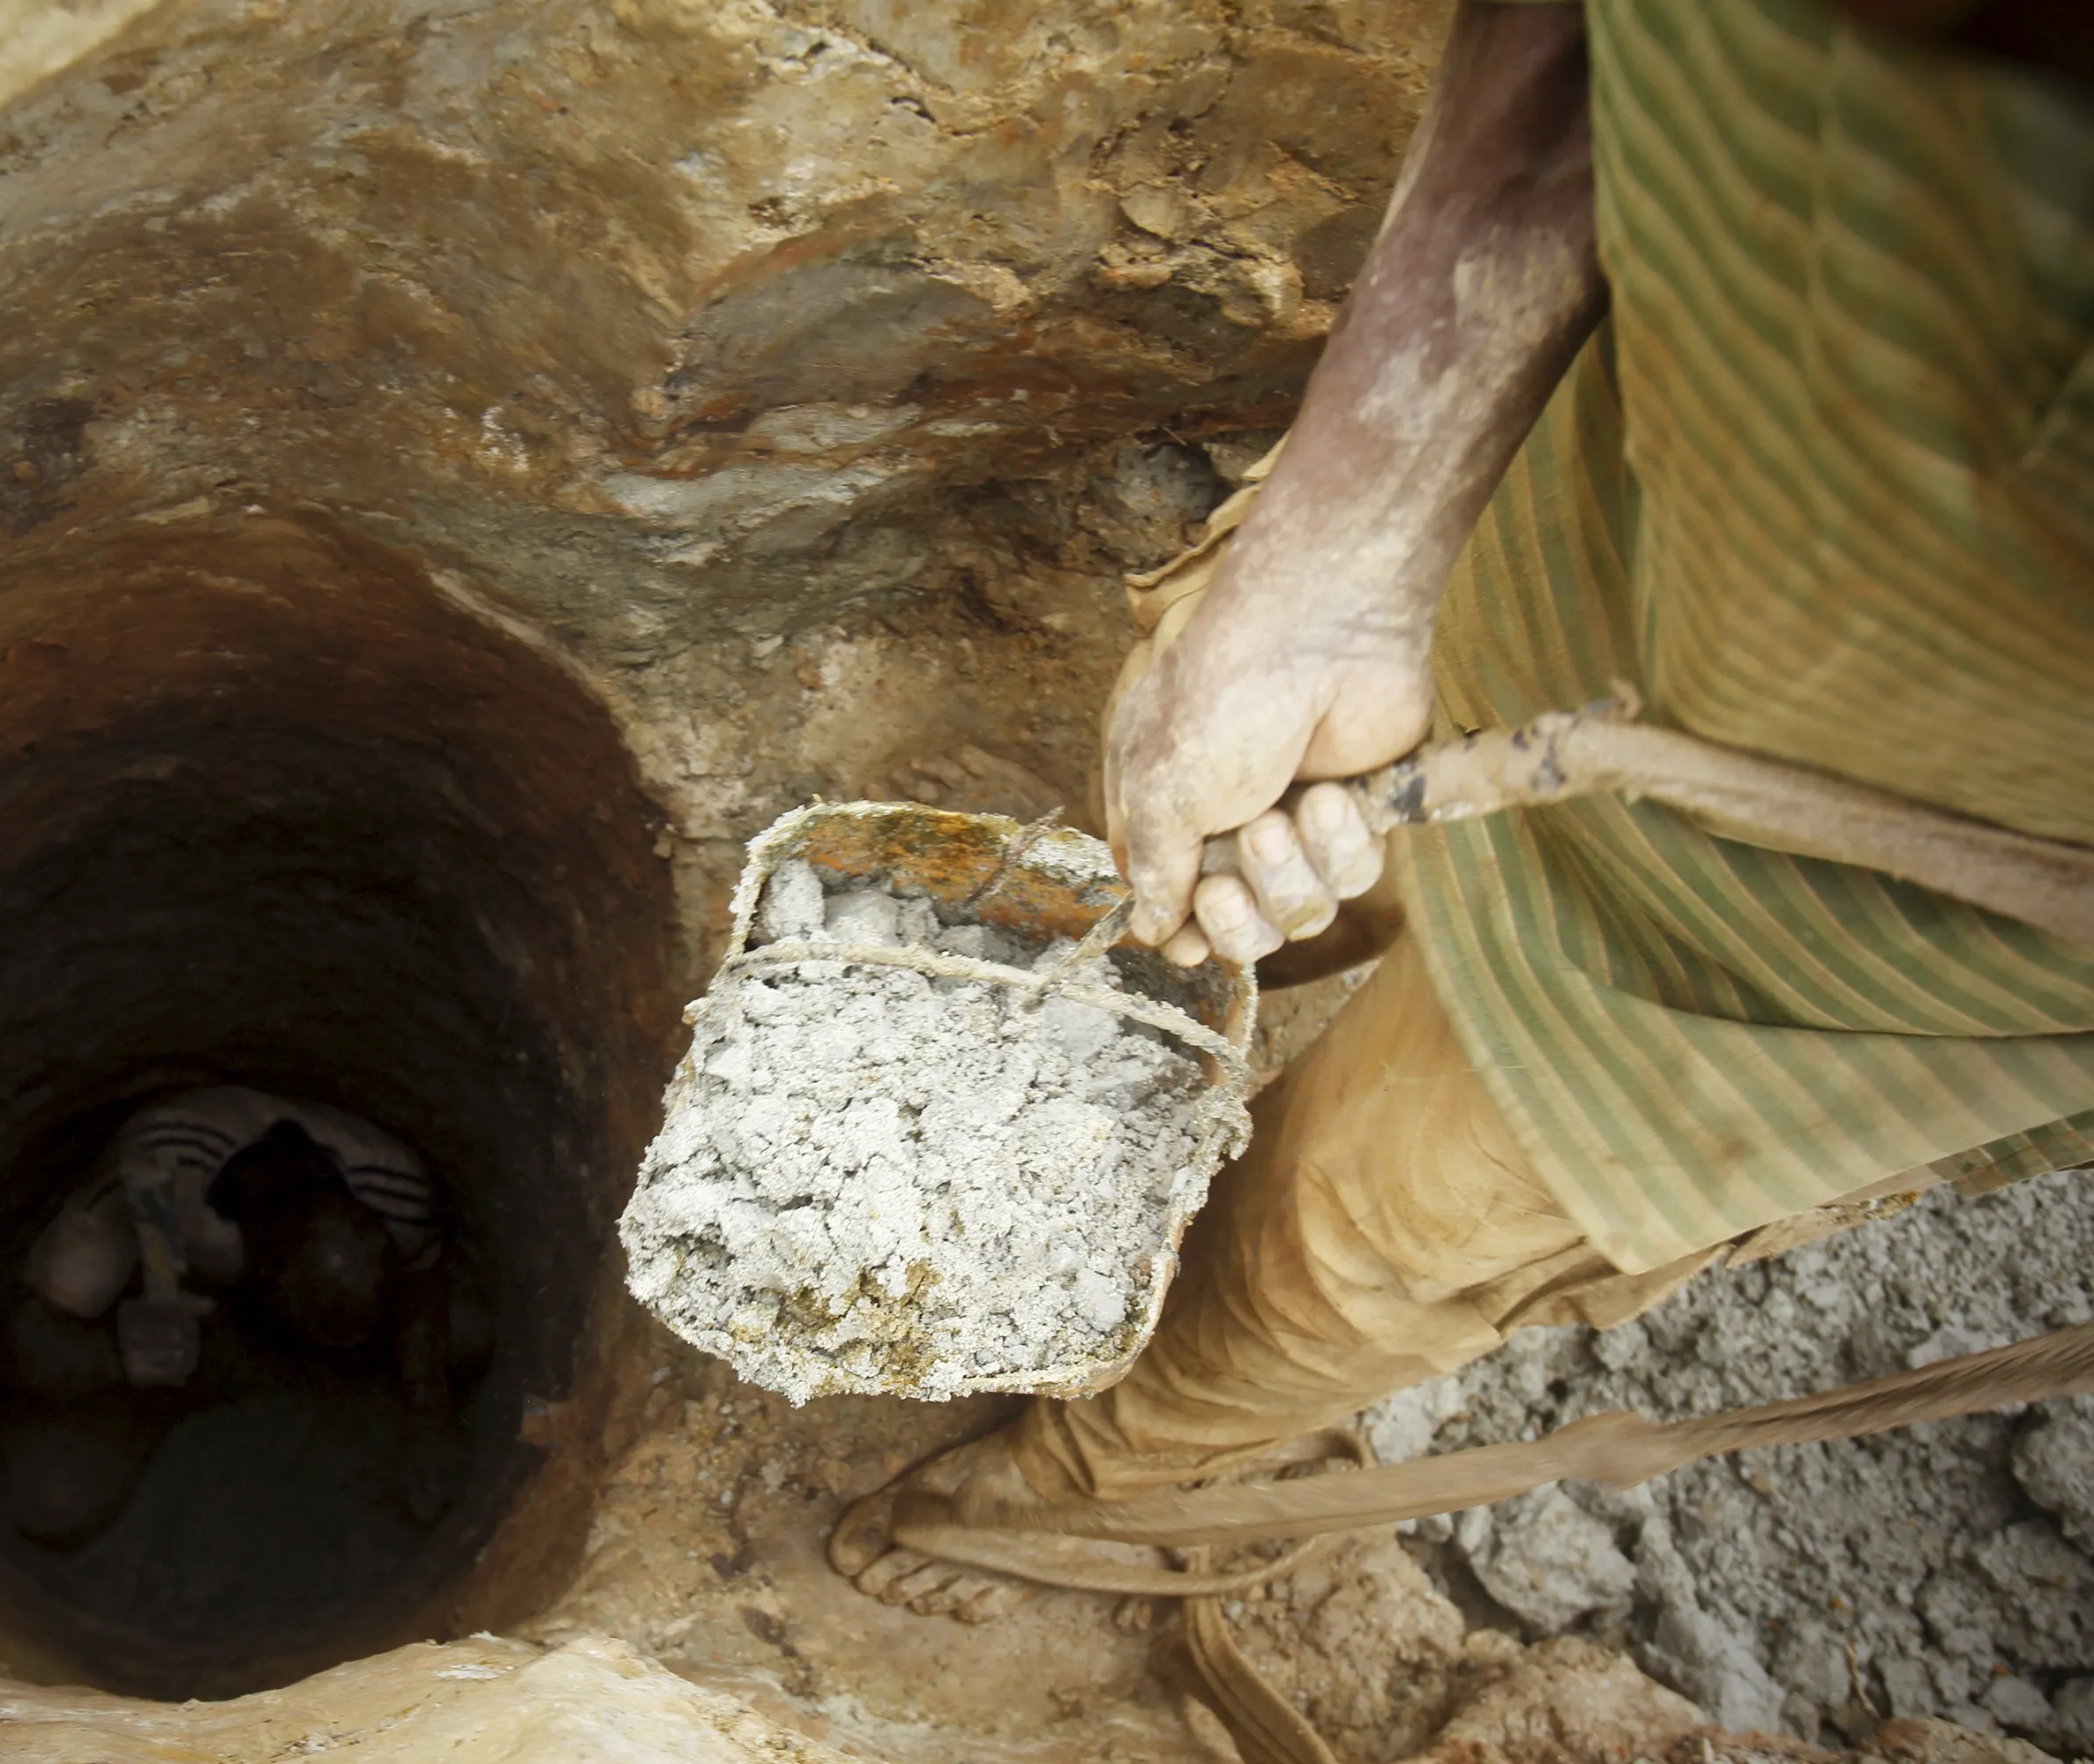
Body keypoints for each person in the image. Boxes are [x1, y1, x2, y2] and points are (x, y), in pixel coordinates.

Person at [833, 0, 2094, 1623]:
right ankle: (1064, 1082)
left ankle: (1097, 1466)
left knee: (1372, 1222)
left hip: (1890, 949)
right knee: (1200, 886)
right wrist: (1344, 553)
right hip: (1594, 528)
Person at [0, 1086, 453, 1545]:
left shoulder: (394, 1193)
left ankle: (307, 1377)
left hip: (248, 1329)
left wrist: (428, 1409)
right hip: (174, 1332)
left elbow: (423, 1280)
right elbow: (25, 1338)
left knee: (471, 1333)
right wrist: (118, 1358)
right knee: (54, 1496)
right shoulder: (151, 1183)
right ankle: (169, 1406)